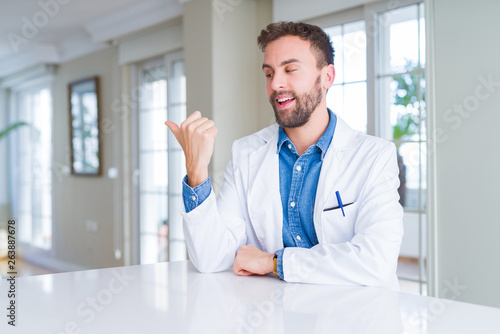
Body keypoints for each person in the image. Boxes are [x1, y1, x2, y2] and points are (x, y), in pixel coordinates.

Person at [165, 21, 403, 290]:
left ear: (327, 77)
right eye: (269, 73)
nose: (276, 83)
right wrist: (197, 171)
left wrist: (273, 263)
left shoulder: (375, 156)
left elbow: (376, 261)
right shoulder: (245, 152)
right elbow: (212, 258)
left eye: (290, 69)